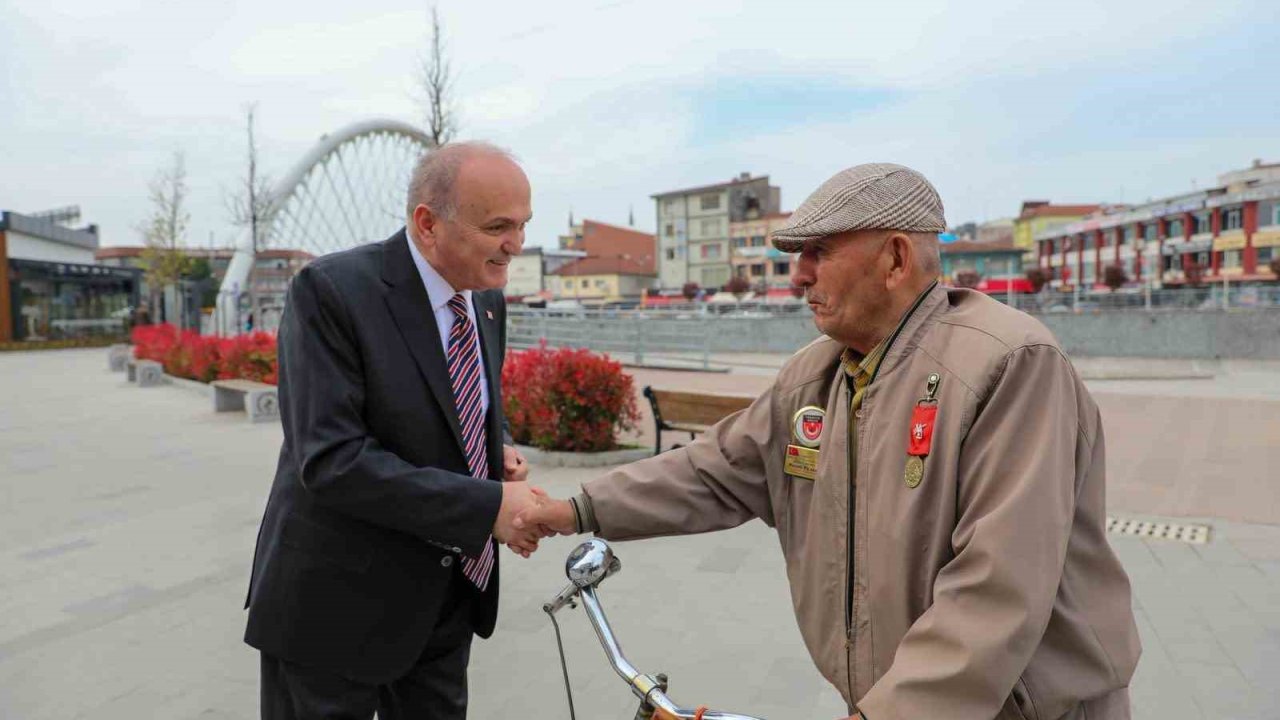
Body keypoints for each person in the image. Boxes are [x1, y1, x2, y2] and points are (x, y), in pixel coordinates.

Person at [518, 163, 1141, 720]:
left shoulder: (1007, 363)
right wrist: (572, 510)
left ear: (895, 259)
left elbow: (999, 584)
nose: (799, 275)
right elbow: (713, 471)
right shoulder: (819, 374)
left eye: (819, 251)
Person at [244, 142, 542, 720]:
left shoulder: (485, 300)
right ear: (428, 224)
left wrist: (495, 446)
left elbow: (464, 402)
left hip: (444, 605)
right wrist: (486, 507)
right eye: (498, 226)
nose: (516, 244)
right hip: (334, 613)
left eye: (524, 225)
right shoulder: (330, 293)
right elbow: (332, 461)